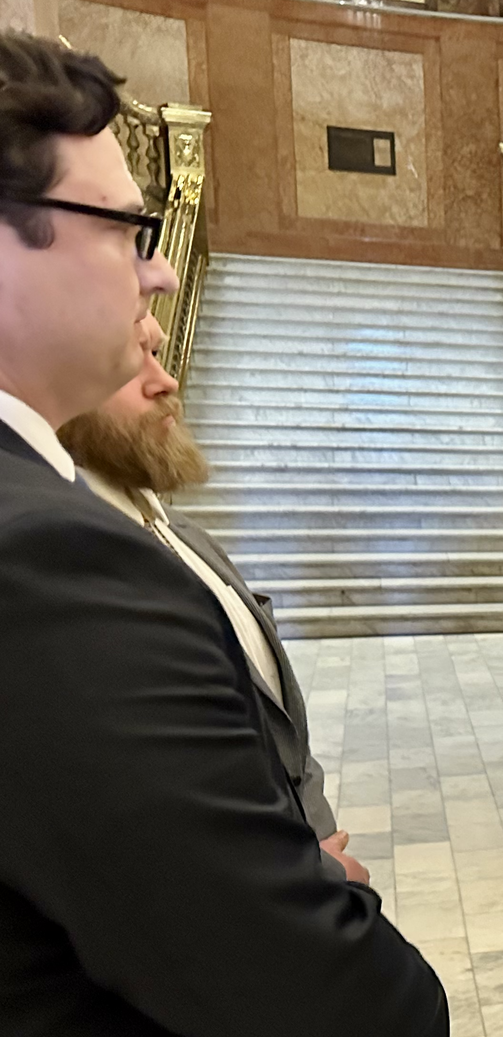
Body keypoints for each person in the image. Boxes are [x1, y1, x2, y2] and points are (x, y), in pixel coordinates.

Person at [0, 33, 447, 1037]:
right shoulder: (49, 561)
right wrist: (317, 898)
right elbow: (342, 1014)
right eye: (125, 228)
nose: (158, 271)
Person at [61, 312, 341, 843]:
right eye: (130, 362)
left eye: (158, 354)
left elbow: (287, 749)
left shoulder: (188, 537)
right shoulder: (73, 567)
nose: (164, 381)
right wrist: (307, 876)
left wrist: (321, 859)